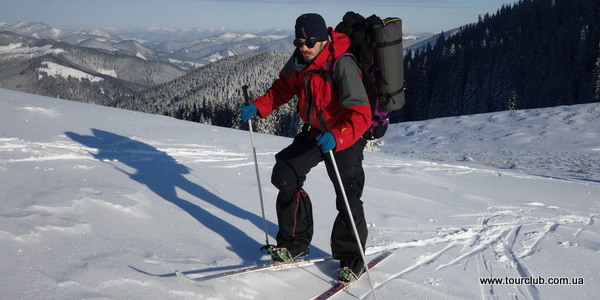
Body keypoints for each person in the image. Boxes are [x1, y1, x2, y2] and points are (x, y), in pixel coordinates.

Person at [240, 13, 372, 283]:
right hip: (314, 132)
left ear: (323, 39)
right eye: (298, 41)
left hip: (343, 135)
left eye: (309, 41)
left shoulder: (342, 65)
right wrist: (259, 105)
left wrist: (338, 135)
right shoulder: (300, 61)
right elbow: (281, 89)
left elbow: (361, 113)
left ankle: (351, 258)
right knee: (285, 174)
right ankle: (295, 242)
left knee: (347, 195)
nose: (303, 47)